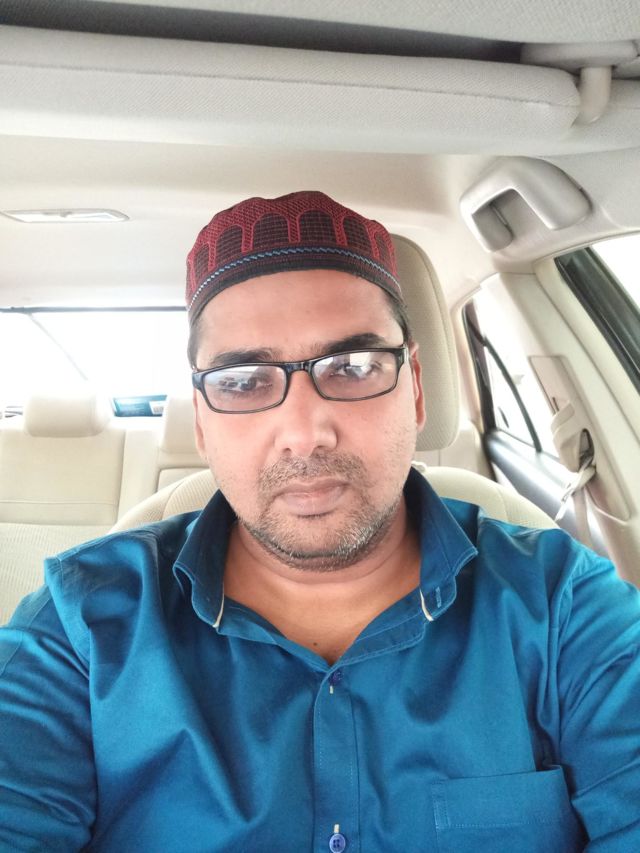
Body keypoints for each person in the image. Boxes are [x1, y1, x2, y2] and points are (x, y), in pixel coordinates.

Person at [0, 191, 638, 852]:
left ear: (416, 389)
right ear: (202, 421)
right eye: (243, 380)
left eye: (354, 368)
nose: (304, 433)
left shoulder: (565, 608)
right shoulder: (81, 628)